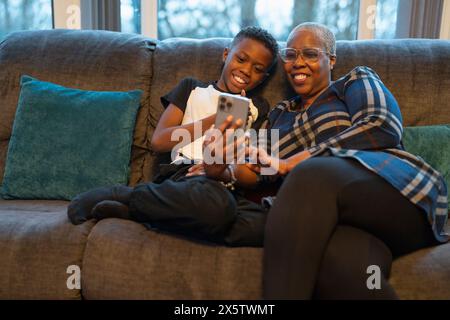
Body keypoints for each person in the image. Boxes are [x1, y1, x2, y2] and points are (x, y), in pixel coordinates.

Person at [242, 22, 448, 299]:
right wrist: (218, 163)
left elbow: (382, 124)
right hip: (345, 223)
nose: (297, 62)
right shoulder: (279, 115)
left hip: (394, 194)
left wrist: (298, 161)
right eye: (290, 55)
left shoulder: (354, 81)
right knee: (344, 267)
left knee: (311, 174)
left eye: (310, 54)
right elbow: (259, 167)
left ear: (332, 59)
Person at [67, 26, 279, 246]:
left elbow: (257, 165)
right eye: (241, 59)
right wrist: (216, 119)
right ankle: (123, 194)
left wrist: (229, 165)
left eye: (257, 68)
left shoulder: (259, 107)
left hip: (227, 182)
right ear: (226, 55)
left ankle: (140, 212)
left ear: (263, 78)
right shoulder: (192, 88)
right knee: (217, 209)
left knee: (269, 225)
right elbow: (159, 141)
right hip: (184, 175)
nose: (246, 70)